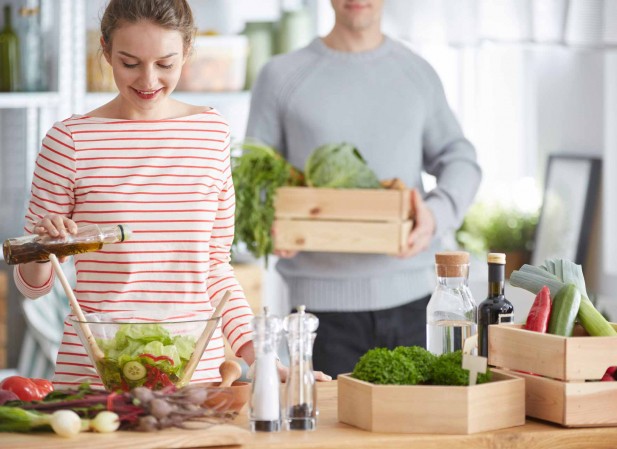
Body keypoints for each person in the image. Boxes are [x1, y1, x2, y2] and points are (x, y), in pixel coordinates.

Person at [13, 0, 329, 389]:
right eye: (130, 63)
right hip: (96, 377)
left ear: (188, 51)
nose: (148, 81)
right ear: (106, 50)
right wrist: (46, 248)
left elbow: (215, 267)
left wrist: (260, 357)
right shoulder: (69, 141)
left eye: (165, 64)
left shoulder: (210, 132)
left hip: (195, 376)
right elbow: (32, 286)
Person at [246, 0, 482, 378]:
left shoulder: (416, 73)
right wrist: (267, 229)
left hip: (414, 304)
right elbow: (253, 180)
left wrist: (435, 216)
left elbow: (461, 160)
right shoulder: (280, 76)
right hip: (319, 317)